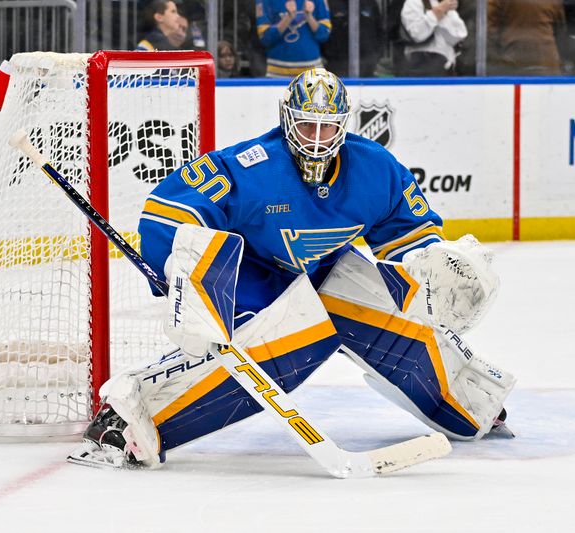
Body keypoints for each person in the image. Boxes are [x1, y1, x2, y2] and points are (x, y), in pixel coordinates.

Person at [69, 68, 515, 469]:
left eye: (328, 126)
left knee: (389, 307)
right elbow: (169, 212)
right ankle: (130, 414)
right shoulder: (252, 167)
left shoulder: (376, 169)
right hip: (252, 279)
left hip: (320, 274)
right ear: (287, 119)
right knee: (295, 345)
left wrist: (436, 266)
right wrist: (184, 276)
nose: (317, 138)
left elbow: (413, 237)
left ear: (344, 125)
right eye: (307, 124)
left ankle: (466, 402)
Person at [487, 0, 567, 76]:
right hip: (547, 61)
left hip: (512, 61)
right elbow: (560, 31)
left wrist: (497, 59)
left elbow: (489, 31)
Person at [256, 0, 332, 77]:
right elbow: (265, 38)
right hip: (277, 72)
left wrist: (309, 16)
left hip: (312, 72)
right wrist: (288, 18)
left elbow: (324, 35)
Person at [400, 0, 468, 76]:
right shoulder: (414, 2)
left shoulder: (443, 4)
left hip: (446, 67)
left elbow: (460, 35)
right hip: (423, 67)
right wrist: (437, 13)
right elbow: (416, 34)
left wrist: (444, 12)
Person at [321, 0, 383, 78]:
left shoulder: (369, 3)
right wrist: (329, 55)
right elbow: (323, 31)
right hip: (337, 63)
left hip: (367, 62)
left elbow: (379, 30)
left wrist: (376, 55)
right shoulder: (330, 3)